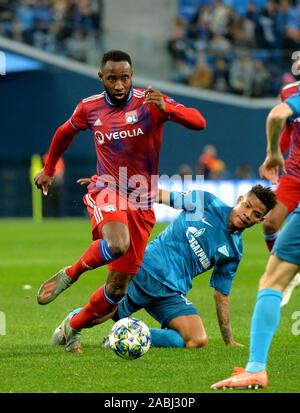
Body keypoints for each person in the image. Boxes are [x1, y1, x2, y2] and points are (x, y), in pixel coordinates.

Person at [34, 50, 206, 352]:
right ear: (102, 77)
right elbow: (63, 133)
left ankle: (72, 327)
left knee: (117, 289)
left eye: (124, 78)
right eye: (112, 78)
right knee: (117, 243)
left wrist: (169, 108)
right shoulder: (89, 108)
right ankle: (71, 273)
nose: (118, 85)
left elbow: (198, 121)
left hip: (142, 198)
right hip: (108, 188)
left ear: (132, 75)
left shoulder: (151, 102)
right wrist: (49, 170)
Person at [52, 185, 276, 352]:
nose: (248, 214)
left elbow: (221, 295)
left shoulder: (234, 251)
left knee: (195, 340)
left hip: (171, 293)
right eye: (247, 206)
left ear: (260, 220)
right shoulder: (207, 203)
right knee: (99, 316)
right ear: (239, 199)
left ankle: (121, 337)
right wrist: (116, 188)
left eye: (256, 214)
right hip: (144, 272)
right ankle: (71, 322)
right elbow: (160, 195)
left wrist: (228, 340)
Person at [211, 80, 300, 390]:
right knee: (272, 225)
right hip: (294, 178)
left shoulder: (294, 96)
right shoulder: (291, 91)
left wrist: (273, 152)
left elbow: (276, 116)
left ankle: (256, 369)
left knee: (272, 281)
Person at [262, 81, 300, 307]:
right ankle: (286, 277)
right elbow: (284, 129)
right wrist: (273, 155)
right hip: (294, 172)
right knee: (269, 223)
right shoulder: (288, 92)